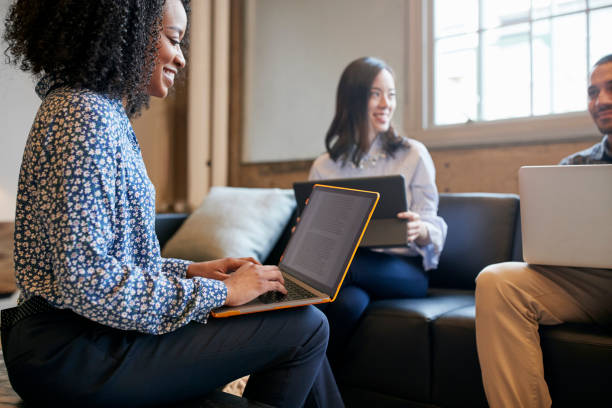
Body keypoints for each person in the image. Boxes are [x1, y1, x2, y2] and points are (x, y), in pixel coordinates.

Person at [0, 1, 344, 407]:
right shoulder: (83, 115)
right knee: (307, 326)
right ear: (123, 34)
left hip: (84, 339)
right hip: (70, 353)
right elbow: (87, 281)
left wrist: (194, 270)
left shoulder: (99, 111)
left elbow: (106, 261)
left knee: (298, 325)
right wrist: (221, 293)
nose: (180, 58)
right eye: (173, 40)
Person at [474, 53, 612, 408]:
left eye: (610, 89)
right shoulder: (575, 168)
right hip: (593, 284)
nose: (601, 101)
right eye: (593, 92)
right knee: (497, 281)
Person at [308, 57, 447, 365]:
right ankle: (312, 387)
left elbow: (431, 220)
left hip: (404, 272)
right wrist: (306, 235)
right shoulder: (325, 166)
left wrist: (420, 229)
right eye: (375, 93)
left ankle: (264, 360)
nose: (386, 103)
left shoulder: (413, 154)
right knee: (347, 305)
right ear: (352, 100)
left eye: (391, 94)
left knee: (344, 263)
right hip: (349, 276)